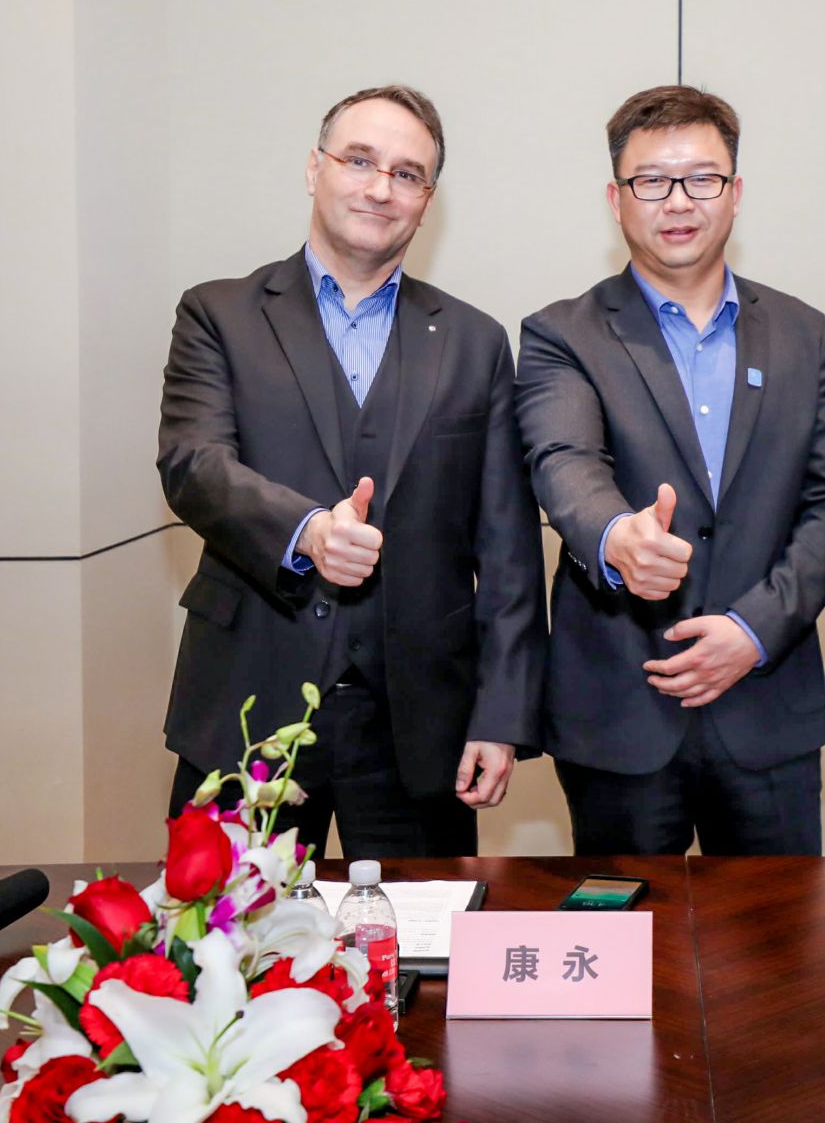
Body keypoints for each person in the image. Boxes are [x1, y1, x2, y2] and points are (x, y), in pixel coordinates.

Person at [157, 83, 546, 857]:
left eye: (407, 174)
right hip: (246, 702)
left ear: (427, 200)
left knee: (423, 931)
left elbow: (507, 546)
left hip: (420, 725)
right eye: (359, 160)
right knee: (227, 927)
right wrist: (305, 531)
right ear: (315, 168)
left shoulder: (474, 342)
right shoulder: (218, 314)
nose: (380, 187)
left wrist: (501, 716)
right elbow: (194, 464)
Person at [515, 85, 825, 856]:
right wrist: (615, 534)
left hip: (767, 704)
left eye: (702, 178)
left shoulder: (802, 332)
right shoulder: (562, 334)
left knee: (780, 932)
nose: (678, 201)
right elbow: (564, 459)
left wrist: (755, 628)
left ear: (735, 192)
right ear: (616, 199)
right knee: (628, 931)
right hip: (620, 712)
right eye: (651, 181)